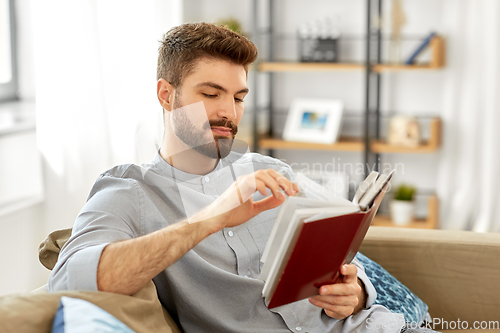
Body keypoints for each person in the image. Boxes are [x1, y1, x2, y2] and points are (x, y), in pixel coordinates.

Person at [49, 22, 398, 332]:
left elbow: (340, 257)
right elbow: (68, 282)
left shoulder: (272, 171)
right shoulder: (129, 192)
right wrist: (209, 219)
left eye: (239, 97)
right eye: (210, 94)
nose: (229, 113)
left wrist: (355, 293)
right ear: (166, 95)